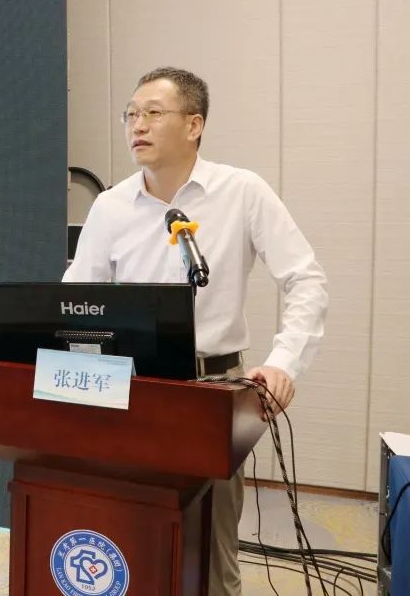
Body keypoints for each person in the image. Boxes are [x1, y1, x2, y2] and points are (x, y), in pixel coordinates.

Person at [63, 66, 328, 596]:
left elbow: (306, 280)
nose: (137, 125)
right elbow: (75, 302)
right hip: (129, 387)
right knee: (128, 535)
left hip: (213, 389)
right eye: (130, 115)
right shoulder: (111, 206)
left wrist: (283, 363)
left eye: (153, 113)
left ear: (194, 125)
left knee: (211, 548)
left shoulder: (241, 191)